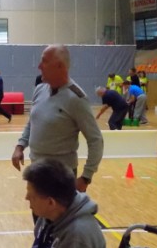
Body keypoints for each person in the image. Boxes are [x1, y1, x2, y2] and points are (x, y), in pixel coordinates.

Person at [11, 44, 104, 193]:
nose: (39, 66)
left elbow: (96, 140)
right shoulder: (39, 89)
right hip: (36, 172)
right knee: (35, 209)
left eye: (44, 61)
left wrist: (86, 177)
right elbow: (32, 122)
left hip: (61, 178)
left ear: (59, 66)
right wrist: (20, 146)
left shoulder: (76, 98)